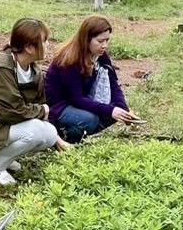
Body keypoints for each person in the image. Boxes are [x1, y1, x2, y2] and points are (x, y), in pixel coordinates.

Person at [0, 17, 71, 187]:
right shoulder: (0, 68)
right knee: (36, 130)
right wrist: (43, 110)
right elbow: (11, 112)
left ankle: (0, 157)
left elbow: (35, 110)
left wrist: (57, 139)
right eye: (44, 40)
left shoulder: (34, 72)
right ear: (29, 47)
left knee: (48, 134)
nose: (48, 45)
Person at [44, 15, 140, 143]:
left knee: (115, 113)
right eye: (100, 41)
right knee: (91, 119)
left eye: (107, 40)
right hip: (60, 106)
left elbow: (113, 84)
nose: (104, 45)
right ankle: (61, 135)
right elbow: (76, 98)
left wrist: (123, 109)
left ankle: (80, 133)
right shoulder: (70, 60)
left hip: (82, 100)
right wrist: (110, 110)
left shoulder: (100, 55)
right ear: (87, 39)